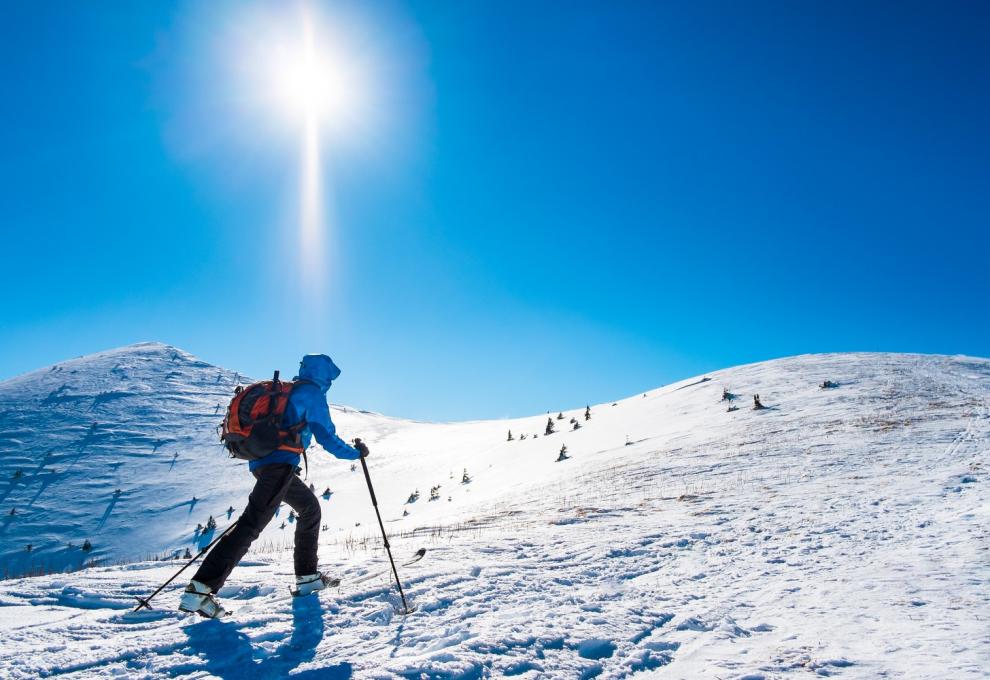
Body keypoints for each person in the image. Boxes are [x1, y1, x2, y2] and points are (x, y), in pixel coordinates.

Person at [179, 354, 368, 618]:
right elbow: (327, 438)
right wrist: (356, 454)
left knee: (310, 509)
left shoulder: (290, 391)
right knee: (251, 526)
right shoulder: (311, 394)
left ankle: (308, 577)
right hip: (279, 466)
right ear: (324, 375)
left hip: (264, 464)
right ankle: (199, 591)